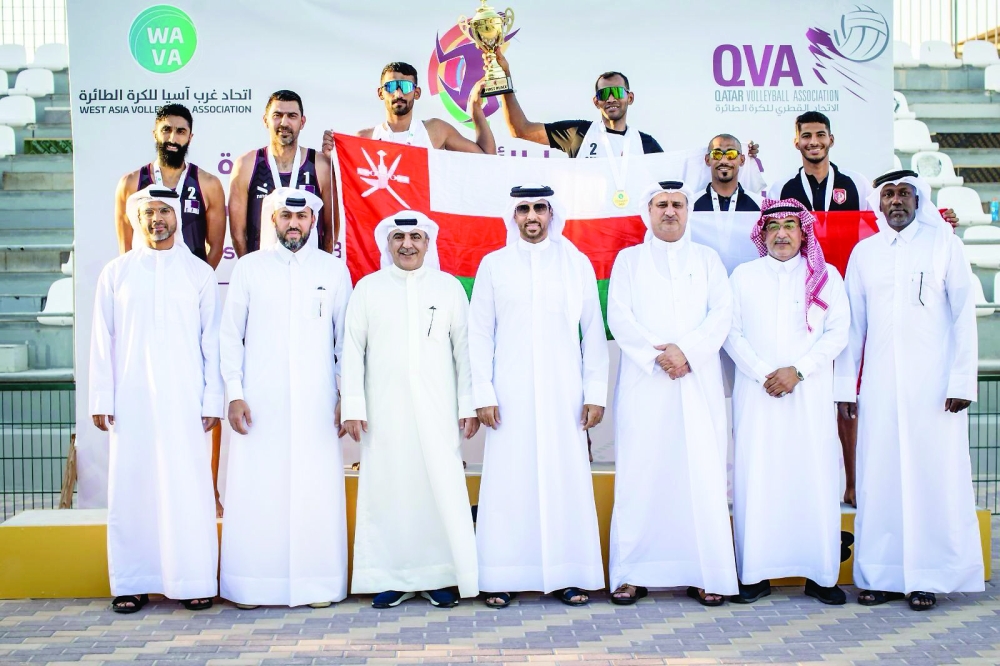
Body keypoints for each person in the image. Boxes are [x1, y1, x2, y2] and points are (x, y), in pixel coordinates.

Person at [776, 111, 959, 508]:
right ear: (796, 142)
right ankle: (805, 483)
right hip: (801, 297)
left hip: (850, 293)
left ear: (831, 139)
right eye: (806, 136)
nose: (813, 142)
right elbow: (777, 230)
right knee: (807, 393)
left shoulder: (857, 184)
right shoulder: (781, 186)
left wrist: (937, 225)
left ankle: (855, 480)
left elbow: (883, 225)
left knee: (850, 394)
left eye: (820, 135)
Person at [835, 170, 983, 611]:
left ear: (919, 200)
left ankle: (927, 577)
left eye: (904, 194)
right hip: (879, 388)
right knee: (880, 481)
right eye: (888, 195)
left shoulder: (945, 245)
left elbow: (964, 317)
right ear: (878, 203)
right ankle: (880, 576)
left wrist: (961, 380)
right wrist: (846, 387)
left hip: (935, 391)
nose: (896, 201)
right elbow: (854, 326)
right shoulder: (865, 253)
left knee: (930, 479)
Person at [468, 184, 608, 608]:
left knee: (563, 479)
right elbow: (479, 333)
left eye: (540, 208)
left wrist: (595, 391)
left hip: (564, 391)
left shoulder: (575, 263)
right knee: (509, 483)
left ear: (551, 213)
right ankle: (502, 576)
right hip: (508, 393)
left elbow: (593, 332)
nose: (532, 216)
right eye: (524, 209)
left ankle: (569, 573)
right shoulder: (493, 265)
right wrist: (483, 392)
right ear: (513, 215)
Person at [91, 186, 223, 614]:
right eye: (149, 212)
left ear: (177, 216)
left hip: (186, 399)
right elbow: (101, 340)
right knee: (132, 487)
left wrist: (212, 400)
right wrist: (101, 396)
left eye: (165, 210)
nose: (157, 219)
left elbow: (212, 343)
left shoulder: (199, 273)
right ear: (137, 218)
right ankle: (132, 581)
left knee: (189, 487)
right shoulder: (116, 273)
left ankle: (194, 579)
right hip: (131, 398)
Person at [219, 188, 352, 609]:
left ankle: (317, 585)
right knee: (259, 490)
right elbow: (229, 337)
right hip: (260, 404)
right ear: (272, 221)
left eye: (302, 217)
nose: (293, 224)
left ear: (313, 222)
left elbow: (345, 341)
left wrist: (344, 393)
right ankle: (253, 587)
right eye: (285, 216)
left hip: (317, 403)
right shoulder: (248, 269)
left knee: (315, 490)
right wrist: (235, 394)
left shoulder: (333, 272)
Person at [606, 180, 737, 607]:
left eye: (677, 204)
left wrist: (688, 352)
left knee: (700, 474)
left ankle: (706, 573)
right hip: (646, 386)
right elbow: (619, 317)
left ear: (688, 210)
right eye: (661, 204)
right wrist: (657, 355)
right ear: (648, 210)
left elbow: (723, 313)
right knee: (641, 476)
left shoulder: (707, 259)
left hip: (696, 383)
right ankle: (632, 573)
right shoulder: (629, 260)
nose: (670, 212)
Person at [341, 212, 479, 609]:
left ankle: (440, 577)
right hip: (384, 412)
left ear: (428, 242)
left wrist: (467, 404)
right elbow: (351, 350)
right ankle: (392, 577)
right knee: (390, 491)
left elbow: (465, 352)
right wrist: (352, 404)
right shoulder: (368, 289)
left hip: (438, 410)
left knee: (440, 489)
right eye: (399, 237)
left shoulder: (449, 288)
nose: (407, 244)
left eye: (415, 237)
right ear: (387, 243)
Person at [724, 198, 850, 605]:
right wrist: (765, 372)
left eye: (790, 226)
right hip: (757, 394)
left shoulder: (826, 276)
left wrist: (797, 371)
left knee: (813, 478)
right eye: (773, 226)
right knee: (757, 479)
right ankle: (755, 574)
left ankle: (820, 575)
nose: (781, 233)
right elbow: (730, 332)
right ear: (762, 233)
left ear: (804, 232)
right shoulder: (743, 276)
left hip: (808, 395)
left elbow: (838, 332)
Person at [114, 104, 226, 266]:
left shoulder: (208, 184)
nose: (173, 139)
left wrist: (199, 282)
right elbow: (125, 247)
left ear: (190, 137)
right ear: (155, 134)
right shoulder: (130, 183)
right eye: (166, 130)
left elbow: (216, 247)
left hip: (189, 284)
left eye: (181, 132)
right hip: (145, 280)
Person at [228, 90, 337, 256]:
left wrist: (321, 267)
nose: (284, 123)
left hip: (308, 271)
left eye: (292, 116)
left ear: (302, 122)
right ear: (265, 120)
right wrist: (249, 268)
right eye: (277, 115)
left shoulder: (320, 164)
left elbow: (331, 229)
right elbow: (237, 232)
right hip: (262, 270)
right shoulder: (246, 165)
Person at [495, 52, 662, 158]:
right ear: (596, 102)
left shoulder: (646, 144)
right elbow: (520, 129)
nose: (611, 99)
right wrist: (505, 77)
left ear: (630, 98)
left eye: (617, 92)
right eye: (604, 94)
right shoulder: (579, 133)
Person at [322, 61, 495, 154]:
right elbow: (346, 185)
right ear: (380, 93)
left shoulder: (436, 130)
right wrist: (331, 158)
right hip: (382, 220)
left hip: (425, 219)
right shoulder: (365, 138)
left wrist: (476, 111)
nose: (398, 94)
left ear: (417, 93)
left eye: (405, 87)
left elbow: (486, 159)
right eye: (391, 87)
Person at [693, 135, 762, 212]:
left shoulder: (760, 206)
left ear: (742, 160)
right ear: (707, 160)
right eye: (716, 154)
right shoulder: (690, 206)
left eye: (731, 154)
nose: (724, 161)